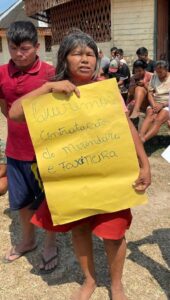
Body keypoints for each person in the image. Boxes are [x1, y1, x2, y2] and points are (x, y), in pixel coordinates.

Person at [10, 31, 151, 300]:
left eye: (89, 54)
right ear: (64, 58)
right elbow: (16, 113)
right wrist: (46, 88)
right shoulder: (53, 90)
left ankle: (116, 285)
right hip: (72, 180)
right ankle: (89, 280)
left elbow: (127, 128)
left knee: (114, 233)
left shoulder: (106, 89)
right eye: (77, 53)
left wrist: (145, 164)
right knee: (81, 229)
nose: (84, 59)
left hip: (110, 176)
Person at [0, 21, 58, 273]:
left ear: (37, 46)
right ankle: (28, 239)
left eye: (25, 48)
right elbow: (5, 108)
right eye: (13, 48)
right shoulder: (1, 73)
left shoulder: (50, 73)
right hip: (15, 150)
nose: (19, 54)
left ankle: (50, 243)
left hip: (46, 151)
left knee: (50, 200)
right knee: (22, 201)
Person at [140, 60, 170, 142]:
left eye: (161, 72)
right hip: (155, 101)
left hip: (167, 103)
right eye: (157, 72)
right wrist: (153, 105)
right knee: (150, 115)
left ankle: (142, 140)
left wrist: (163, 105)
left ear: (166, 70)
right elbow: (150, 92)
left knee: (158, 119)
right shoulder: (154, 76)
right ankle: (140, 136)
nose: (159, 74)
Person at [127, 60, 152, 128]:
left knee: (139, 88)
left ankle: (136, 110)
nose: (138, 73)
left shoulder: (151, 76)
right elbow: (131, 93)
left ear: (144, 69)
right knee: (126, 114)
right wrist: (134, 84)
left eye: (140, 71)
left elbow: (153, 92)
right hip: (135, 100)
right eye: (136, 71)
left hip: (147, 101)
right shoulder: (133, 78)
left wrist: (144, 85)